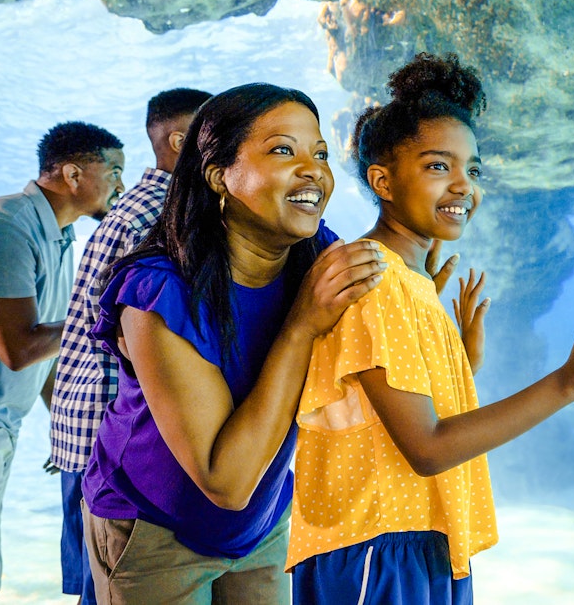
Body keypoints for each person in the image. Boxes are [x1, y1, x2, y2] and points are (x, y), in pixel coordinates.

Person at [285, 52, 574, 604]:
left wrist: (461, 364)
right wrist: (571, 382)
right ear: (382, 181)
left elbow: (395, 416)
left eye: (473, 169)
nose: (464, 186)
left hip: (417, 539)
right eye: (439, 166)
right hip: (378, 549)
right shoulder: (375, 278)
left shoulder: (410, 280)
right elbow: (427, 448)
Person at [79, 82, 392, 604]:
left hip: (261, 521)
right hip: (155, 528)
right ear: (220, 176)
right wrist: (300, 326)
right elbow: (225, 481)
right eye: (282, 150)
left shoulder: (313, 252)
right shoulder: (158, 295)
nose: (314, 169)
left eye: (320, 153)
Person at [0, 122, 125, 605]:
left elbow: (44, 354)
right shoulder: (2, 227)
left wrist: (68, 432)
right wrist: (106, 315)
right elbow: (18, 347)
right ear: (74, 173)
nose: (122, 185)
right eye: (115, 169)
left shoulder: (58, 237)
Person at [49, 88, 213, 605]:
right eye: (221, 135)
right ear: (183, 140)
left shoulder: (139, 205)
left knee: (93, 583)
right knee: (105, 585)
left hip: (85, 425)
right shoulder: (164, 213)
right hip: (110, 429)